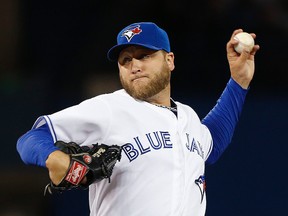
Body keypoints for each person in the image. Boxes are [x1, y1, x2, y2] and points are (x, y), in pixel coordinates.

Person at [16, 22, 260, 216]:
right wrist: (53, 157)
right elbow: (31, 138)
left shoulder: (187, 116)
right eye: (126, 60)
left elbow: (212, 143)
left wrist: (239, 82)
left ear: (169, 60)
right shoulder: (110, 108)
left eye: (144, 55)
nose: (134, 65)